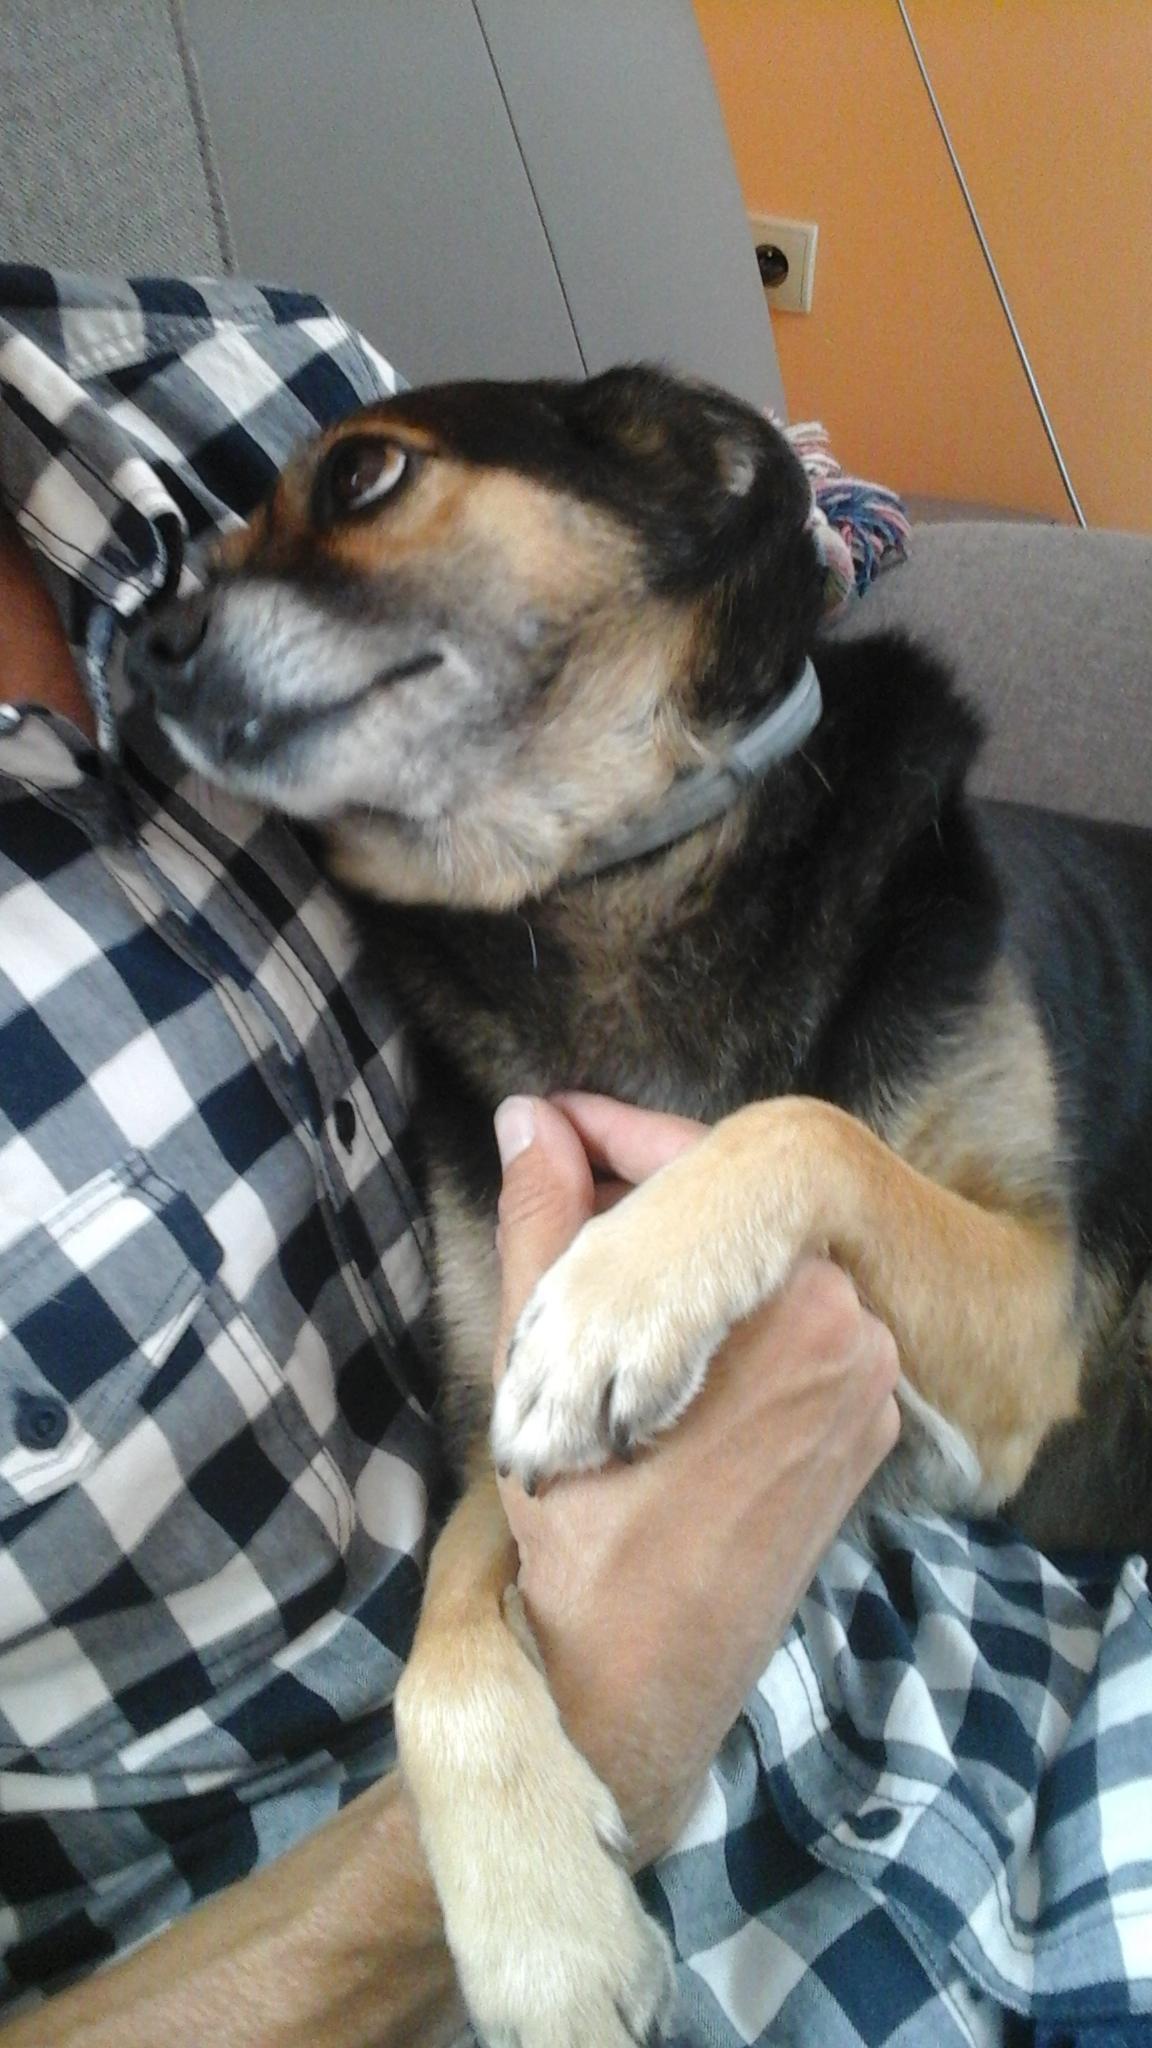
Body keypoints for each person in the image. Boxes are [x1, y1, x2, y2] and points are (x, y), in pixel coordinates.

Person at [0, 268, 1150, 2048]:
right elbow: (520, 1474)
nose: (187, 629)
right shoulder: (471, 1061)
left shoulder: (210, 365)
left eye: (360, 487)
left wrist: (800, 1175)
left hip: (1031, 1643)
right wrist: (485, 1711)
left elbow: (1020, 1372)